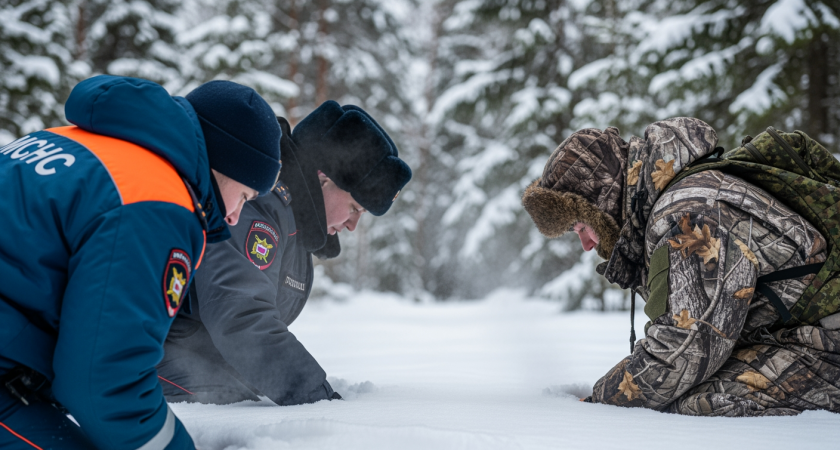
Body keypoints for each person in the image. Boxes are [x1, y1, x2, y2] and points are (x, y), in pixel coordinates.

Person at [0, 75, 281, 449]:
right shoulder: (156, 203)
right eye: (244, 196)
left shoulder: (71, 140)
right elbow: (105, 382)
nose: (234, 217)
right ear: (223, 165)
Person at [522, 118, 840, 416]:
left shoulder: (690, 215)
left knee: (692, 404)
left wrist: (598, 405)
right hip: (805, 340)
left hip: (826, 349)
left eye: (581, 227)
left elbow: (686, 349)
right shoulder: (675, 205)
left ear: (601, 202)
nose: (587, 245)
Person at [156, 100, 411, 406]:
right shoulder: (259, 206)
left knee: (240, 398)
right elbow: (240, 316)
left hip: (182, 353)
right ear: (323, 177)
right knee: (230, 405)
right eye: (355, 207)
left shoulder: (292, 222)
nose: (353, 225)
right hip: (143, 351)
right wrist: (316, 398)